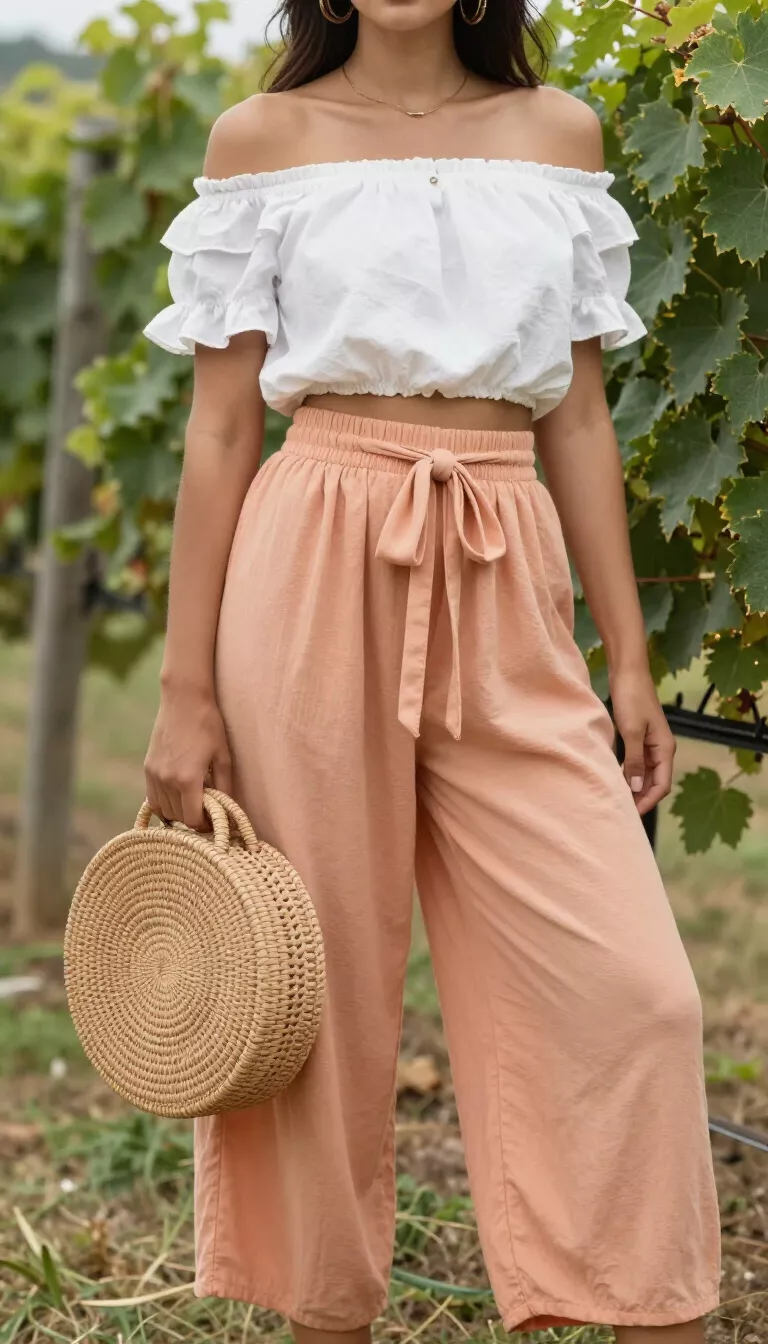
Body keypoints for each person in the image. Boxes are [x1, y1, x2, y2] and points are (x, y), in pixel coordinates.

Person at [142, 0, 721, 1337]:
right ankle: (324, 1312)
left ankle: (640, 1302)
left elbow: (577, 410)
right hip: (315, 541)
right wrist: (184, 690)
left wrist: (626, 656)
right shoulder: (262, 138)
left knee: (639, 996)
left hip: (506, 554)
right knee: (317, 991)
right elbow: (222, 432)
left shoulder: (555, 133)